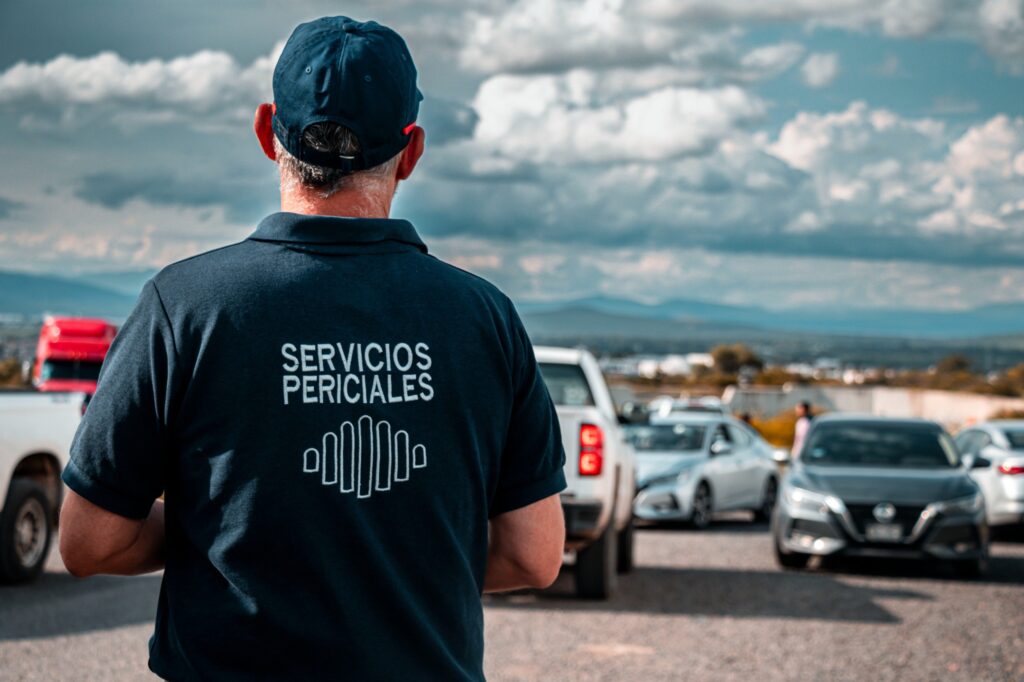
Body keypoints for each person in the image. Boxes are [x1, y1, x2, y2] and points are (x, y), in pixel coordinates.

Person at [58, 16, 566, 681]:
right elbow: (534, 555)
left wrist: (219, 535)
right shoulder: (485, 319)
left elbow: (89, 542)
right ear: (411, 150)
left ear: (267, 131)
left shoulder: (184, 306)